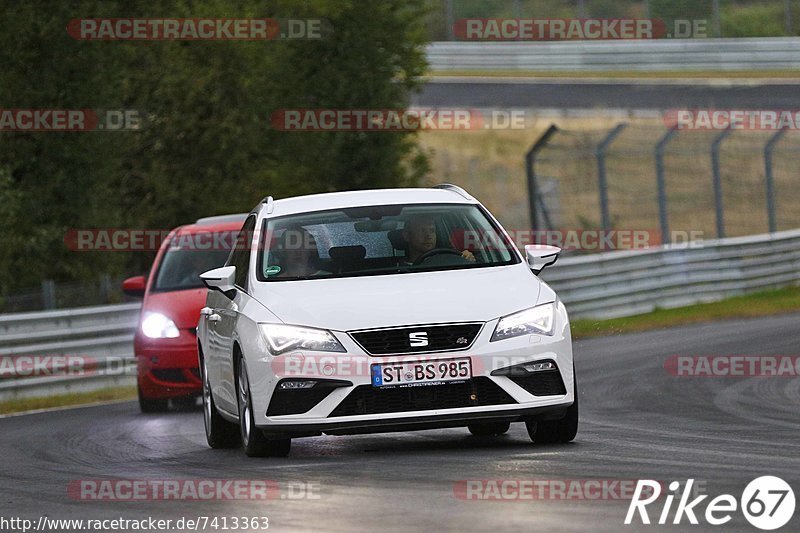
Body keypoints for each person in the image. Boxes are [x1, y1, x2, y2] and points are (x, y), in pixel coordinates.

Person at [401, 215, 475, 265]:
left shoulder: (450, 261)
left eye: (432, 230)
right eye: (422, 231)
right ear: (406, 236)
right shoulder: (397, 269)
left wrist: (467, 260)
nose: (428, 236)